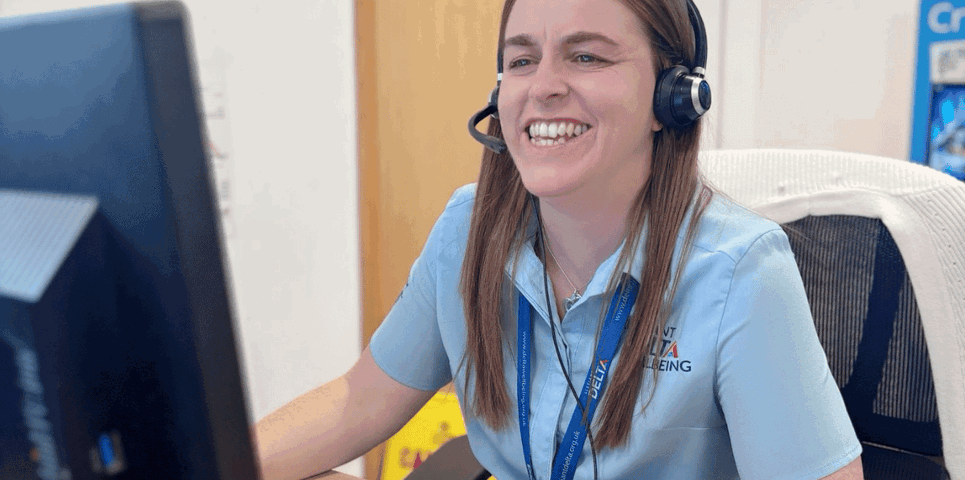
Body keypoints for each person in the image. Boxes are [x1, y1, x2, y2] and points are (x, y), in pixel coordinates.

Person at [254, 0, 865, 478]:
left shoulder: (740, 272)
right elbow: (363, 399)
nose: (541, 86)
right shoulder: (469, 232)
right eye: (521, 60)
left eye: (586, 57)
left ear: (669, 99)